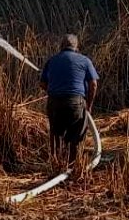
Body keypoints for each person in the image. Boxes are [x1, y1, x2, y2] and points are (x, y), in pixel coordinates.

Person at [39, 33, 99, 171]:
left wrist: (54, 91)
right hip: (76, 103)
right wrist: (88, 106)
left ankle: (55, 166)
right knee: (76, 135)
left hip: (54, 103)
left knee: (56, 134)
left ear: (61, 46)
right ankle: (71, 167)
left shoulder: (52, 61)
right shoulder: (85, 61)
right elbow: (93, 84)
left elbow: (42, 83)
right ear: (76, 47)